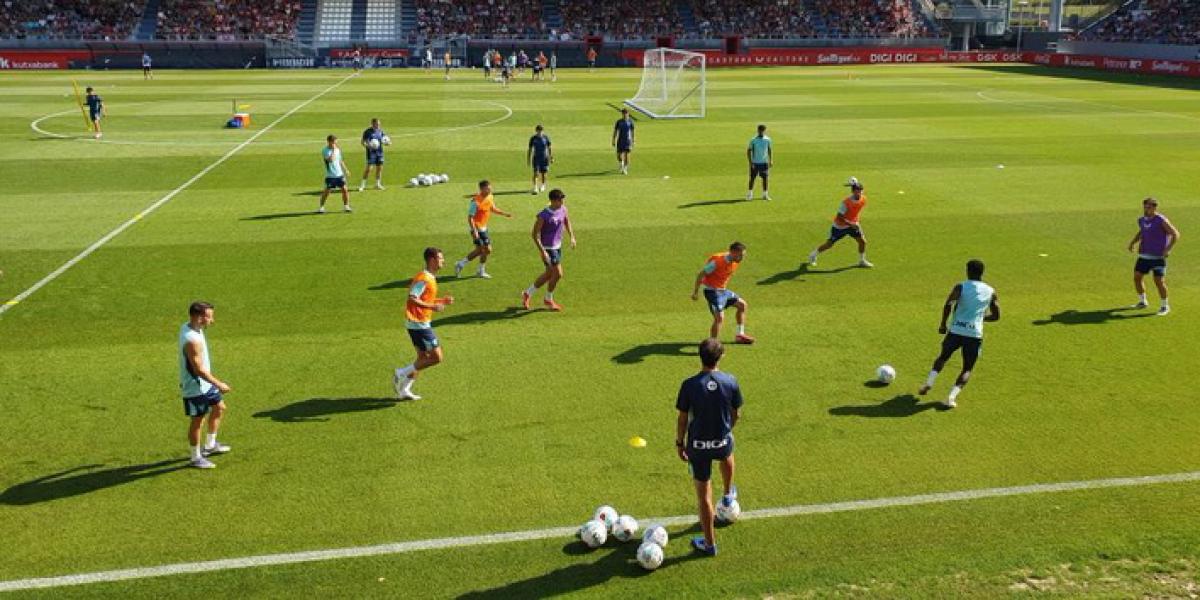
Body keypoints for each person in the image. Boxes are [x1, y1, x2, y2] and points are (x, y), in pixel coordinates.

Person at [675, 338, 741, 557]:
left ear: (700, 357)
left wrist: (679, 442)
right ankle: (728, 494)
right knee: (728, 453)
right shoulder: (730, 381)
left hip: (698, 446)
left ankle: (709, 544)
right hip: (722, 441)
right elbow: (736, 413)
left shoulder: (689, 385)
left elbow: (683, 419)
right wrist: (727, 429)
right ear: (720, 357)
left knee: (704, 497)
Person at [918, 259, 1000, 408]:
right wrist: (981, 318)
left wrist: (943, 324)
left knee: (943, 357)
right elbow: (996, 316)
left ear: (968, 271)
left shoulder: (961, 287)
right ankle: (950, 398)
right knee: (967, 368)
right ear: (982, 272)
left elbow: (948, 304)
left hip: (956, 330)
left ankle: (928, 383)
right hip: (974, 334)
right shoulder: (991, 291)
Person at [394, 248, 455, 400]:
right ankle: (401, 372)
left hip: (417, 323)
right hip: (419, 324)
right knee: (436, 357)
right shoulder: (424, 278)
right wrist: (433, 307)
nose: (443, 261)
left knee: (422, 359)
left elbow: (424, 298)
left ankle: (404, 390)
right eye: (441, 258)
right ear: (432, 260)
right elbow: (413, 297)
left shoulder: (429, 277)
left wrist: (441, 301)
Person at [179, 301, 232, 469]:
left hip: (205, 385)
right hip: (195, 387)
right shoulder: (192, 340)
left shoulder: (191, 327)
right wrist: (220, 384)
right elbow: (199, 370)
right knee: (197, 421)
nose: (212, 320)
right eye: (210, 317)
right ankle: (195, 458)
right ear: (199, 317)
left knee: (219, 408)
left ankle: (210, 445)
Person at [522, 189, 576, 311]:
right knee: (558, 274)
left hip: (557, 246)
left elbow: (566, 221)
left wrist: (572, 236)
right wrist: (542, 251)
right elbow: (534, 234)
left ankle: (527, 293)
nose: (562, 201)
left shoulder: (563, 209)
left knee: (549, 274)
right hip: (548, 248)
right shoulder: (544, 215)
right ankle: (548, 299)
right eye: (560, 199)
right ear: (553, 200)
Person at [692, 242, 755, 344]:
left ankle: (740, 335)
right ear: (733, 252)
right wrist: (695, 292)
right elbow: (701, 274)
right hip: (712, 291)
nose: (742, 258)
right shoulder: (717, 262)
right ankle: (712, 344)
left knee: (742, 305)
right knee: (719, 317)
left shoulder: (734, 261)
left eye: (743, 255)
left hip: (722, 290)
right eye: (740, 255)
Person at [1127, 197, 1180, 316]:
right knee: (1137, 277)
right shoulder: (1142, 220)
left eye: (1149, 207)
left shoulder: (1161, 220)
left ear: (1155, 208)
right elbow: (1142, 232)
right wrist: (1133, 242)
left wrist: (1167, 249)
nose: (1146, 209)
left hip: (1157, 257)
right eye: (1145, 207)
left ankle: (1164, 306)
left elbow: (1175, 234)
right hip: (1144, 255)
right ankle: (1142, 301)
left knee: (1159, 281)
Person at [807, 177, 872, 268]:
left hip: (853, 225)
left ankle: (862, 260)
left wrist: (855, 222)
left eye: (861, 190)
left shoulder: (863, 199)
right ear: (853, 191)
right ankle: (813, 255)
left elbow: (855, 211)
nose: (860, 193)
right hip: (839, 227)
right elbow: (839, 217)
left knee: (862, 242)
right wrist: (851, 224)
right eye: (857, 191)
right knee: (829, 244)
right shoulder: (846, 203)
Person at [454, 179, 513, 279]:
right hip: (477, 228)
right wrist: (475, 231)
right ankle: (466, 266)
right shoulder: (475, 202)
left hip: (483, 227)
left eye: (490, 188)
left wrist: (504, 213)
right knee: (484, 250)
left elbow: (492, 208)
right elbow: (470, 218)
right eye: (487, 188)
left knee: (484, 250)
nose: (490, 190)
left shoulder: (490, 196)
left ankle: (468, 267)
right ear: (481, 189)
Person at [319, 134, 352, 213]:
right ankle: (321, 207)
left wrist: (346, 170)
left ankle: (346, 206)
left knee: (344, 189)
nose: (335, 144)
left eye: (336, 142)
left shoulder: (338, 150)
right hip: (330, 175)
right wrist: (333, 150)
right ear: (329, 142)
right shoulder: (325, 150)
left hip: (339, 174)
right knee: (327, 191)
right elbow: (330, 160)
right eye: (334, 142)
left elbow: (340, 161)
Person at [358, 118, 387, 192]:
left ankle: (377, 184)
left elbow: (385, 139)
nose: (378, 125)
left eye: (379, 124)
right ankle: (362, 185)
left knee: (379, 168)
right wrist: (369, 146)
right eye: (377, 124)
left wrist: (388, 143)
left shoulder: (380, 131)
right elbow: (362, 142)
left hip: (380, 153)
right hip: (371, 153)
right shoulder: (367, 132)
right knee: (369, 169)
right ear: (373, 124)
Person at [746, 124, 772, 200]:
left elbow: (769, 149)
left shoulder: (768, 139)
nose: (761, 132)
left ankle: (765, 194)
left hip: (764, 162)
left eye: (763, 131)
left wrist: (771, 160)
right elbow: (748, 151)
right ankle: (750, 194)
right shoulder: (753, 140)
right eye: (760, 131)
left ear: (764, 131)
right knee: (752, 178)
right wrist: (751, 162)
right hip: (755, 162)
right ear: (758, 131)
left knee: (765, 178)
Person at [527, 124, 553, 194]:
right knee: (535, 173)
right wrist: (528, 159)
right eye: (538, 130)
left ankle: (543, 185)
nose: (539, 132)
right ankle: (535, 187)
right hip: (536, 158)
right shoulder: (533, 138)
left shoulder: (546, 138)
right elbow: (530, 149)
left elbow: (549, 148)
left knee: (544, 173)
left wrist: (551, 157)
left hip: (544, 158)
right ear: (536, 131)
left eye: (541, 130)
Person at [612, 108, 635, 175]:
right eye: (624, 113)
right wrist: (613, 139)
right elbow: (615, 131)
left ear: (628, 114)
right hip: (620, 140)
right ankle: (621, 163)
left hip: (628, 141)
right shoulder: (619, 122)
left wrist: (633, 140)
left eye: (626, 113)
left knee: (627, 155)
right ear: (622, 114)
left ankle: (625, 168)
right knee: (619, 156)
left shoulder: (631, 122)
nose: (625, 115)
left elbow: (633, 131)